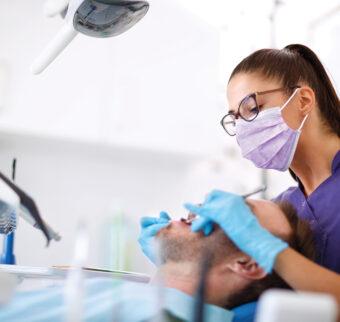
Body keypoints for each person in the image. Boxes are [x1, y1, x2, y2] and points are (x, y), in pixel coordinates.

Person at [138, 43, 340, 310]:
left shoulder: (269, 226)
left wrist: (264, 246)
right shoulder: (287, 205)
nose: (244, 128)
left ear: (303, 101)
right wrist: (180, 260)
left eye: (251, 108)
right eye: (236, 118)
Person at [0, 199, 314, 322]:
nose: (209, 207)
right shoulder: (149, 299)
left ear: (248, 263)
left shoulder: (164, 316)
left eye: (237, 212)